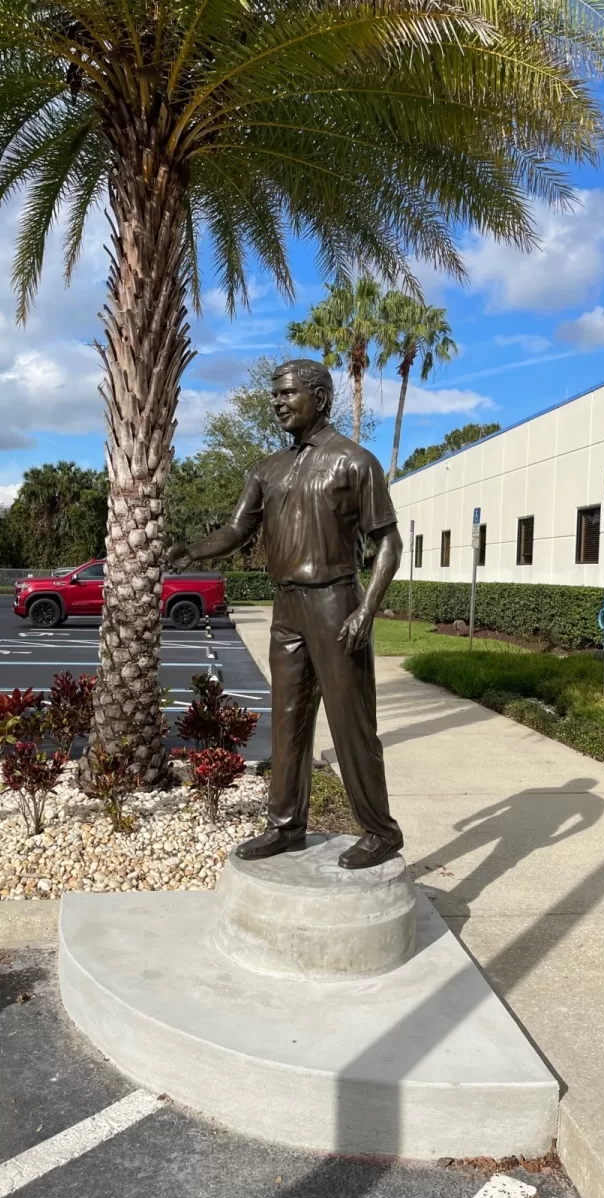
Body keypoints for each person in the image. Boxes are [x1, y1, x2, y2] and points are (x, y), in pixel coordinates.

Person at [167, 359, 404, 870]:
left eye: (287, 393)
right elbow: (237, 530)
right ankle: (285, 825)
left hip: (336, 602)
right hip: (287, 606)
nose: (277, 402)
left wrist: (367, 609)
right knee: (288, 718)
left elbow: (389, 541)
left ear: (320, 397)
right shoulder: (267, 468)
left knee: (351, 722)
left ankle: (380, 831)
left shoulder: (355, 462)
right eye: (274, 394)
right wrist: (193, 551)